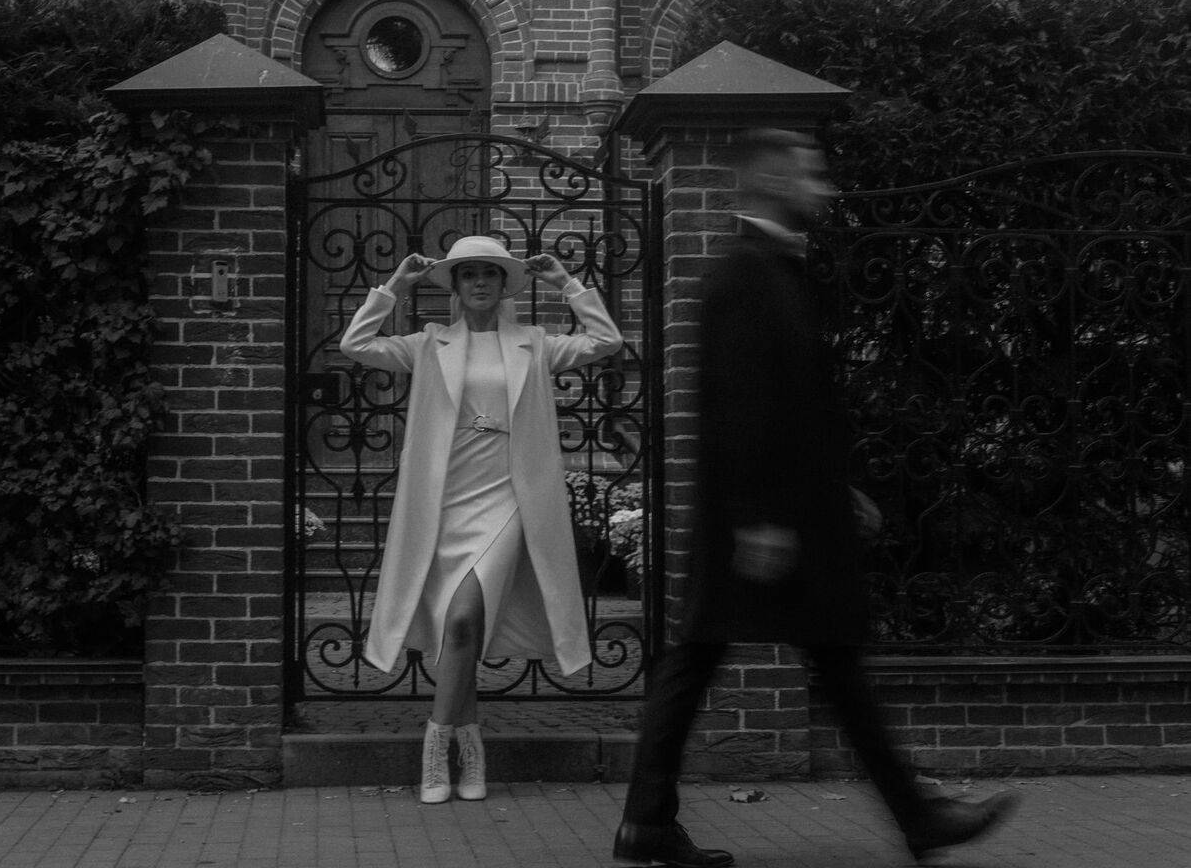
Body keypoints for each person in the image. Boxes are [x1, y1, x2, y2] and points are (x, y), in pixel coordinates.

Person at [612, 129, 1019, 867]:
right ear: (773, 182)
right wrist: (758, 520)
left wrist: (838, 488)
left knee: (746, 658)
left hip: (790, 511)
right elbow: (739, 408)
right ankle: (919, 819)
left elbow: (794, 404)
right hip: (768, 521)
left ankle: (648, 823)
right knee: (764, 658)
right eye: (812, 177)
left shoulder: (772, 270)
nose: (825, 191)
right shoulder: (744, 275)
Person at [340, 235, 623, 804]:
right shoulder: (428, 343)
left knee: (467, 616)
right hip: (445, 499)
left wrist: (566, 282)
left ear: (503, 285)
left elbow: (606, 340)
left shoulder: (535, 343)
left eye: (489, 274)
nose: (479, 283)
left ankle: (434, 748)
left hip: (510, 497)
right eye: (468, 274)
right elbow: (356, 343)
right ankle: (471, 749)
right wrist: (395, 286)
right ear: (455, 284)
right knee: (458, 630)